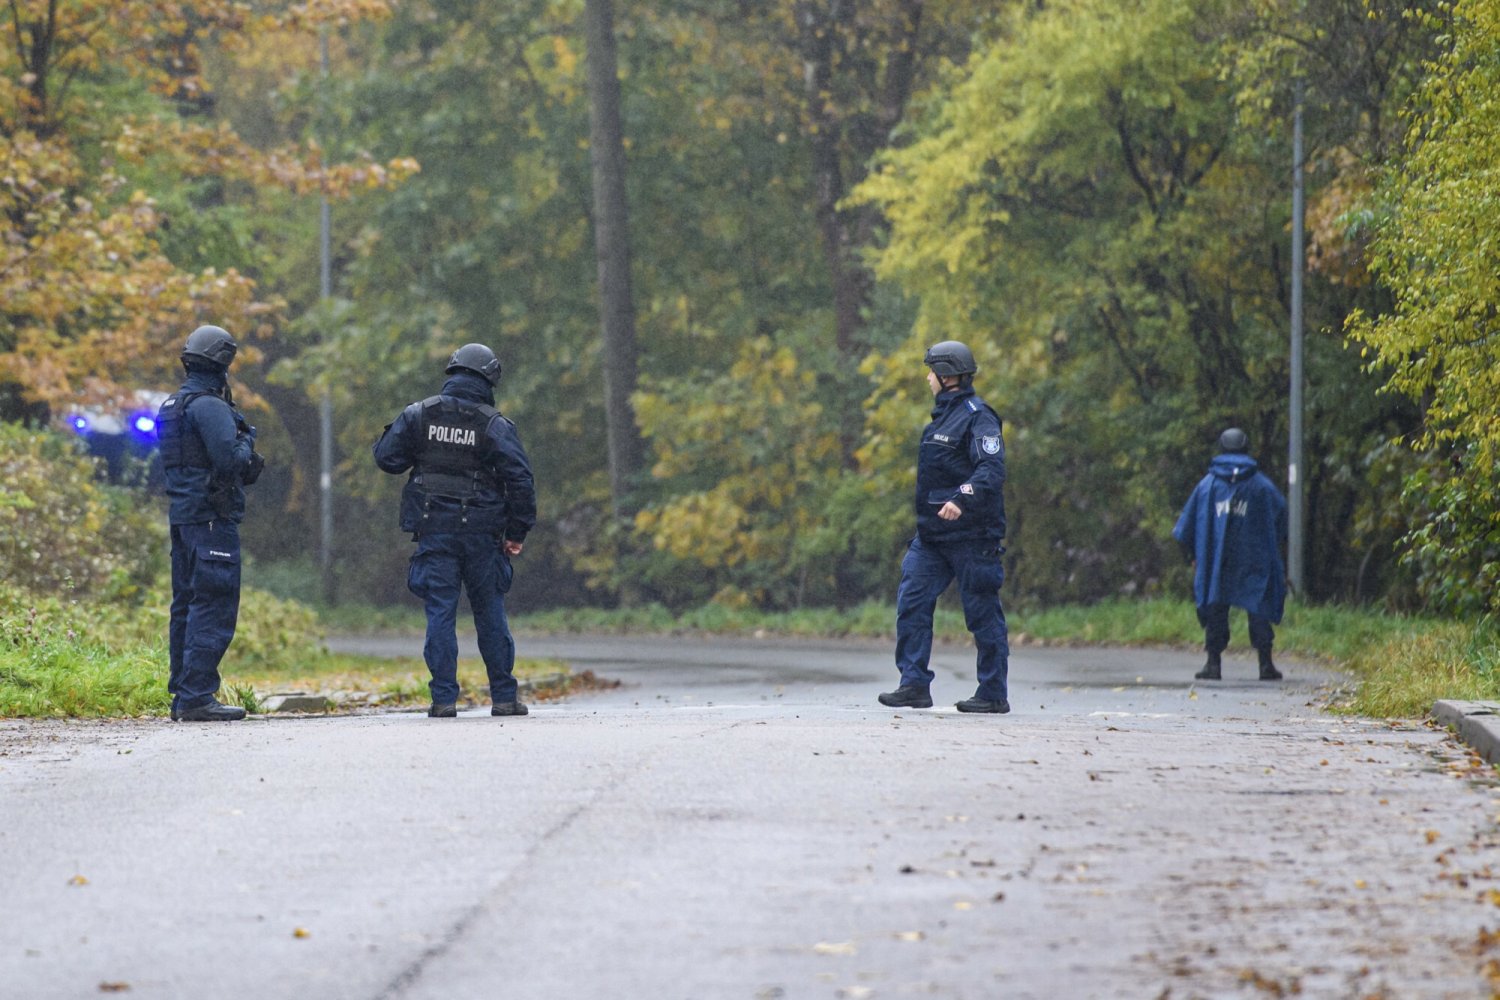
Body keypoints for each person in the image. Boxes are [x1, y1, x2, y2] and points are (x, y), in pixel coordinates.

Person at [373, 344, 537, 718]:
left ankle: (443, 700)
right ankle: (505, 698)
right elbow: (521, 480)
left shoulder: (419, 415)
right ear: (489, 379)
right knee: (491, 613)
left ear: (453, 372)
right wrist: (517, 531)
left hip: (435, 533)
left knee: (440, 614)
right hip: (483, 535)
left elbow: (386, 458)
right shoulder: (494, 424)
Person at [879, 341, 1011, 714]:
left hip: (972, 536)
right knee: (912, 600)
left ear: (946, 376)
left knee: (981, 612)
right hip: (933, 538)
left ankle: (992, 693)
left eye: (931, 372)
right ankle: (914, 684)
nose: (927, 378)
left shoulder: (978, 416)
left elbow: (991, 468)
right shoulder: (938, 420)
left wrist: (961, 498)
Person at [157, 324, 265, 722]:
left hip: (183, 520)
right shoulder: (210, 407)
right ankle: (198, 695)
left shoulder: (172, 407)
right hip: (211, 522)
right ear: (224, 359)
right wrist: (248, 438)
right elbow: (230, 462)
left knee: (185, 604)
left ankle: (184, 693)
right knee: (214, 604)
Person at [1172, 427, 1288, 681]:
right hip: (1254, 558)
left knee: (1215, 604)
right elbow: (1282, 516)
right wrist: (1272, 548)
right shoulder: (1261, 486)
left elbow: (1185, 527)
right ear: (1246, 448)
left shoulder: (1207, 485)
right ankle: (1265, 664)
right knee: (1258, 604)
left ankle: (1213, 664)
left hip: (1217, 560)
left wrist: (1193, 555)